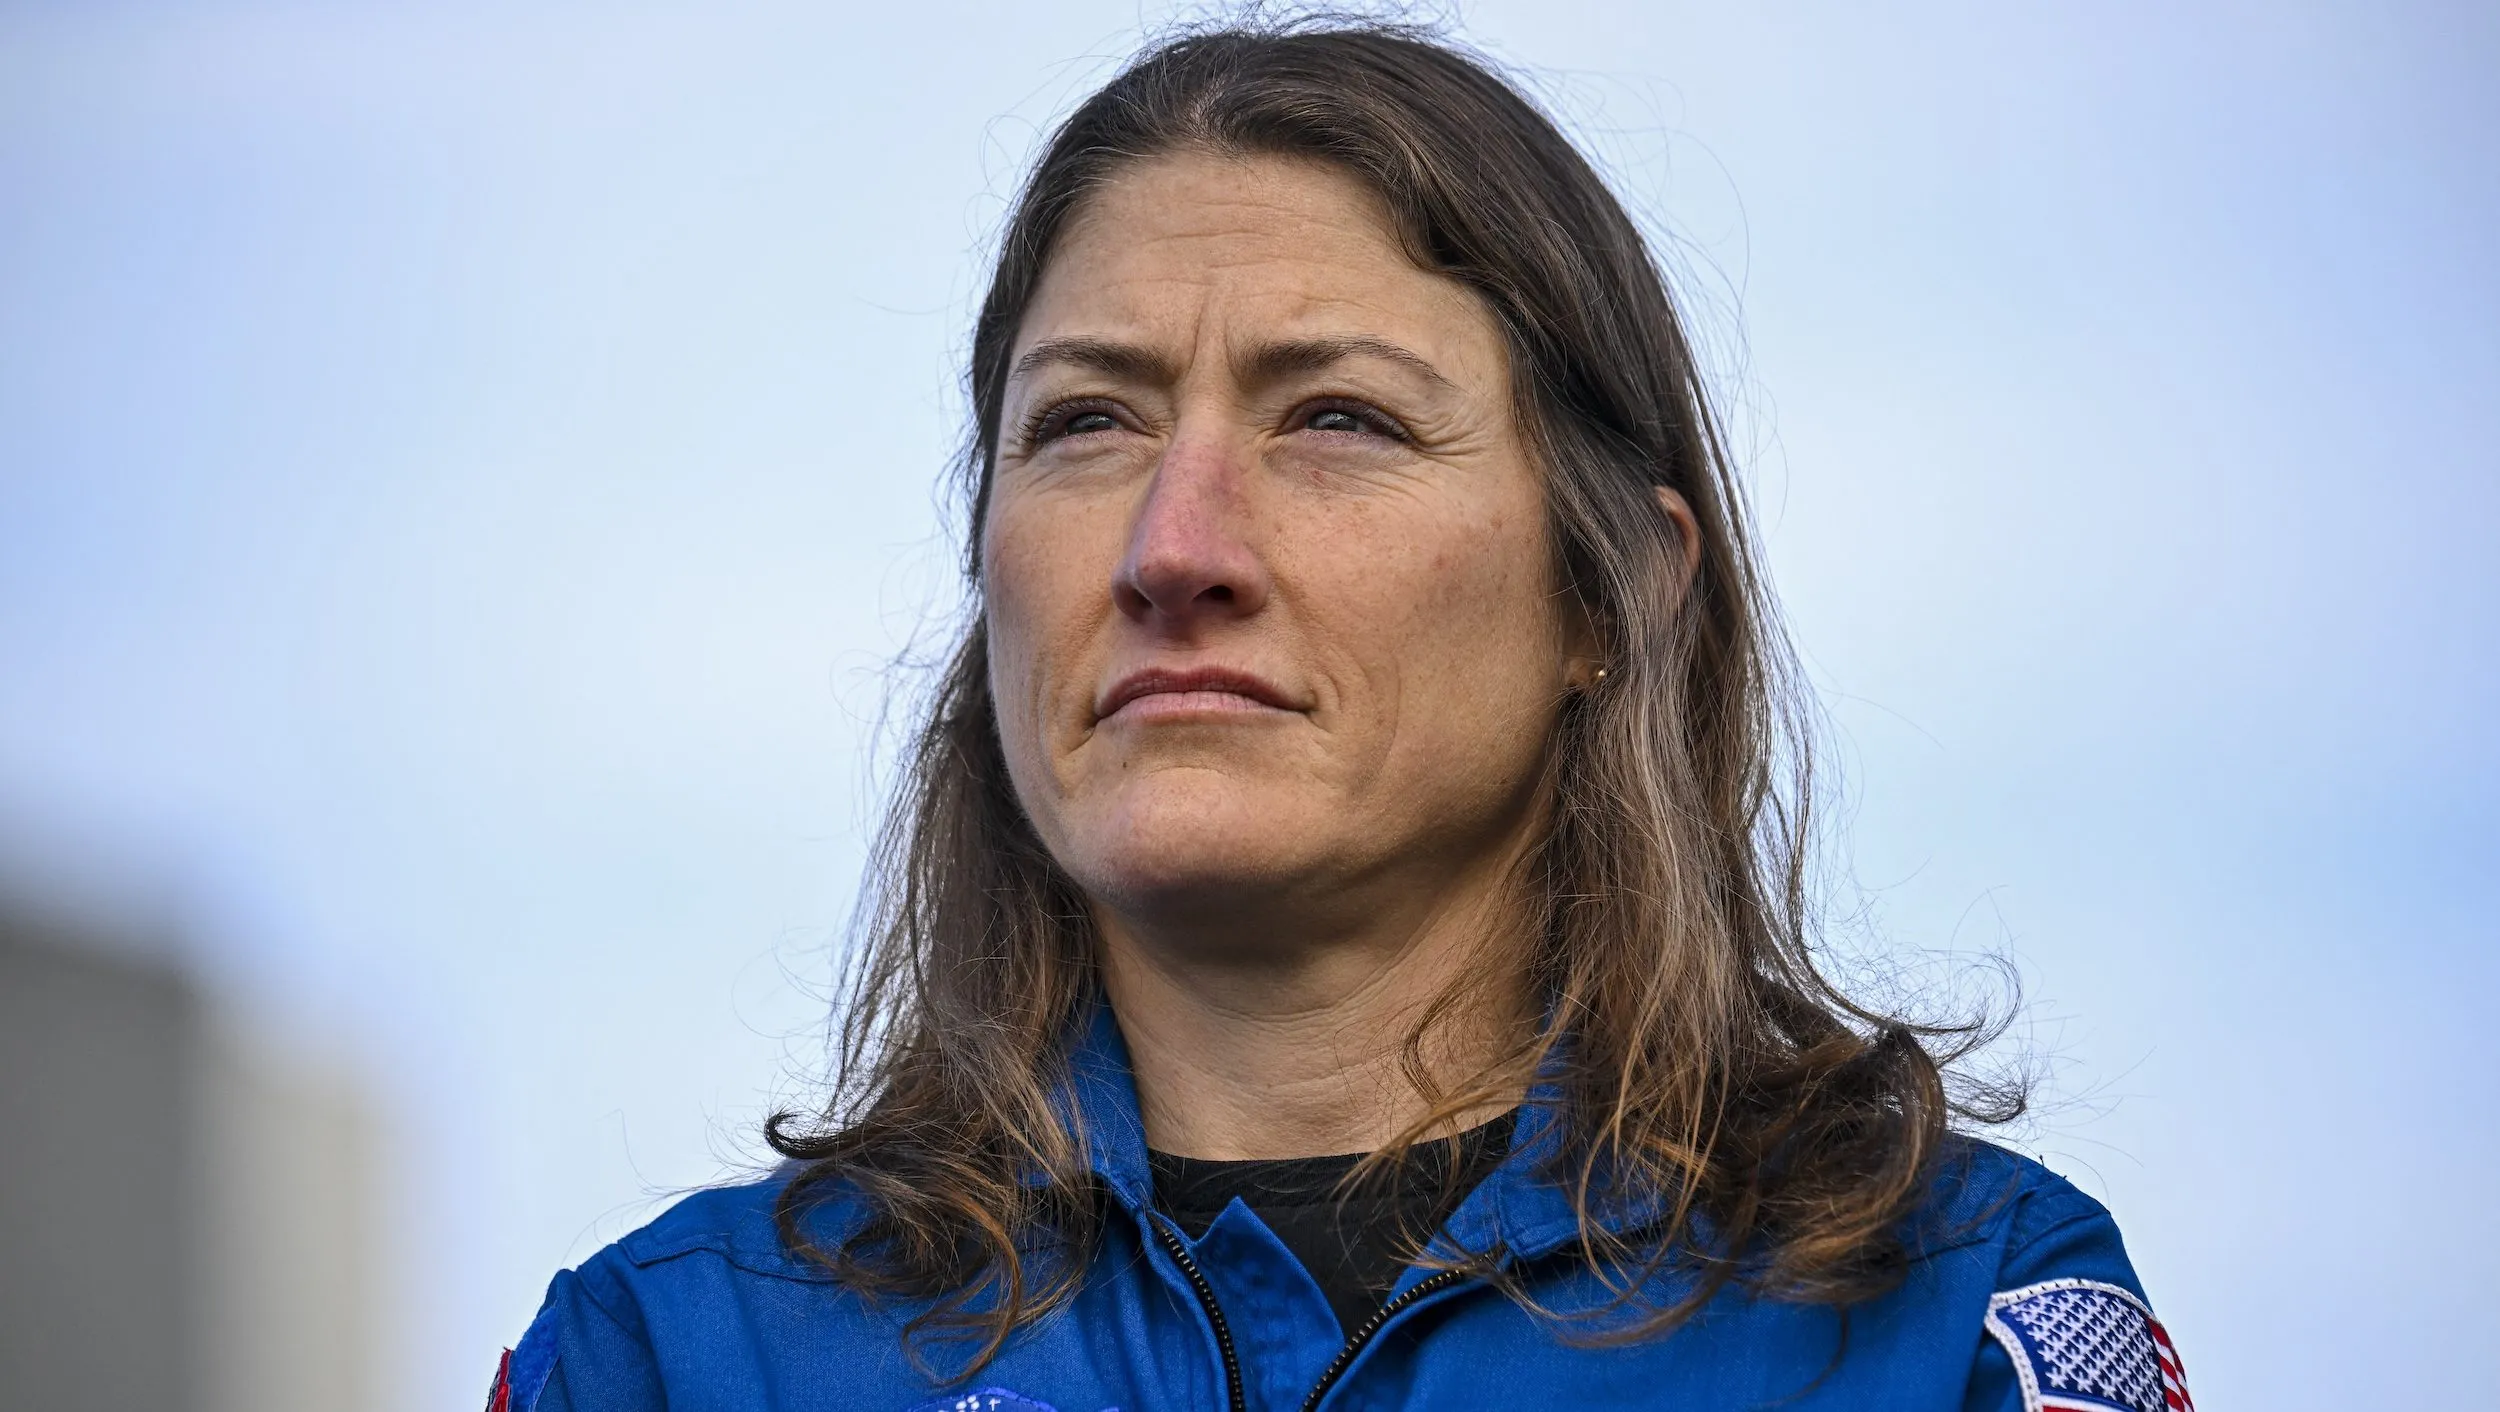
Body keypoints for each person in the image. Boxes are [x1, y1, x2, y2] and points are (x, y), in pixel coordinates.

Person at [488, 21, 2193, 1412]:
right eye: (1085, 422)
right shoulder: (676, 1360)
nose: (1174, 550)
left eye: (1339, 420)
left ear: (1612, 592)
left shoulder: (1945, 1318)